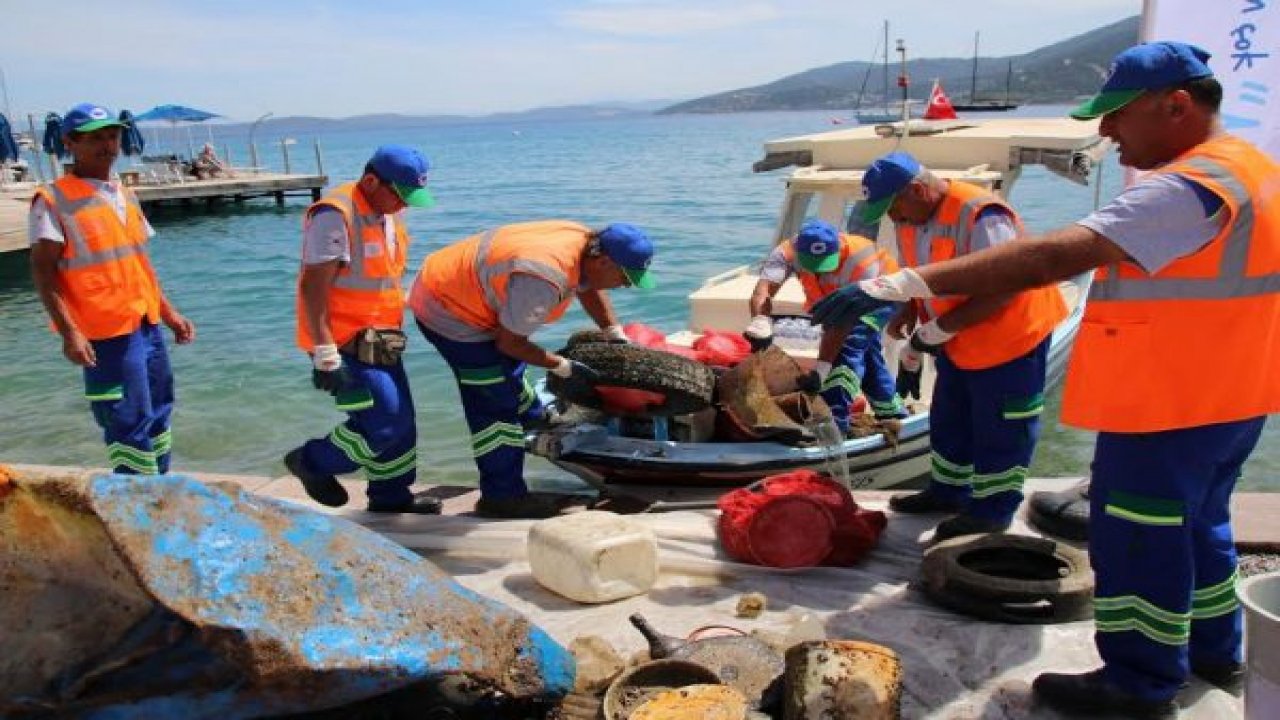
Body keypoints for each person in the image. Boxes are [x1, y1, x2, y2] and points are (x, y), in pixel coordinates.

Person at [810, 41, 1278, 717]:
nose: (1107, 131)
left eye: (1118, 114)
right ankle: (1215, 651)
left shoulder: (1191, 185)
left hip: (1170, 403)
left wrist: (898, 284)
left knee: (1138, 537)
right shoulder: (1249, 167)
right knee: (1200, 526)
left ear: (1176, 106)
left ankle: (1139, 682)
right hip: (1227, 394)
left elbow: (1056, 256)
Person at [851, 150, 1068, 541]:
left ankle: (993, 511)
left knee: (1003, 427)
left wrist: (939, 329)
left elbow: (1006, 285)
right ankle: (948, 492)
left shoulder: (981, 215)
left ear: (918, 191)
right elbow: (918, 274)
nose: (893, 218)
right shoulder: (910, 218)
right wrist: (910, 312)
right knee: (950, 418)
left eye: (894, 208)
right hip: (957, 338)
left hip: (1010, 340)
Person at [408, 220, 654, 519]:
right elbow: (510, 344)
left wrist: (613, 332)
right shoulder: (544, 276)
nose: (626, 285)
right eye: (625, 277)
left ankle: (534, 418)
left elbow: (587, 286)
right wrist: (562, 366)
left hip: (463, 283)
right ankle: (502, 498)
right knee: (493, 402)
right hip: (448, 309)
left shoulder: (585, 243)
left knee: (509, 370)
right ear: (603, 261)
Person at [28, 102, 195, 475]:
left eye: (112, 136)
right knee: (125, 417)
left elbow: (139, 263)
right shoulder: (53, 200)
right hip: (104, 332)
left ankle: (160, 486)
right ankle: (134, 495)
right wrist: (70, 332)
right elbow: (43, 271)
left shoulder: (124, 194)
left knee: (160, 409)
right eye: (94, 138)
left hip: (145, 322)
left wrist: (169, 313)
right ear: (70, 143)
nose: (107, 145)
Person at [283, 144, 441, 514]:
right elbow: (312, 287)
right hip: (342, 343)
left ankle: (391, 498)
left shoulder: (387, 214)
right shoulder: (335, 215)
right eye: (399, 196)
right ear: (371, 181)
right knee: (383, 424)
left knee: (403, 425)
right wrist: (325, 353)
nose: (403, 205)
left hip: (380, 341)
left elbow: (381, 278)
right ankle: (311, 461)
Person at [742, 218, 906, 433]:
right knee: (868, 354)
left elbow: (841, 326)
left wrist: (821, 371)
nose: (819, 273)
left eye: (825, 265)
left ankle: (833, 425)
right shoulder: (785, 253)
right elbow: (763, 291)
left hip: (878, 297)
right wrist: (760, 322)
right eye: (812, 265)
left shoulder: (861, 262)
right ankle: (891, 411)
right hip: (834, 302)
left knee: (846, 352)